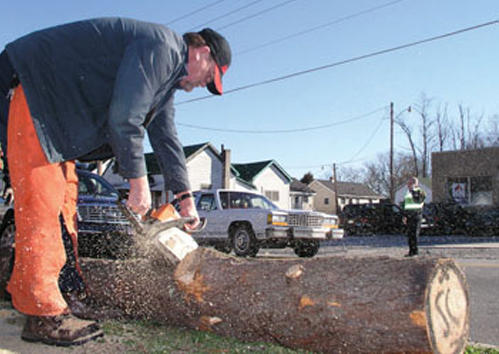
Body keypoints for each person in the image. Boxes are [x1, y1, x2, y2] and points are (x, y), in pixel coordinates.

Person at [0, 17, 231, 346]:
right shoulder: (163, 48)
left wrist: (185, 198)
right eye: (209, 76)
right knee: (43, 205)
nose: (201, 84)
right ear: (201, 52)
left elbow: (166, 139)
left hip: (57, 119)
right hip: (32, 90)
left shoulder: (165, 84)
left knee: (65, 205)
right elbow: (125, 117)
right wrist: (137, 182)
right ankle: (42, 315)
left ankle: (63, 296)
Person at [402, 177, 426, 257]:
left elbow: (418, 200)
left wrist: (413, 191)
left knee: (415, 234)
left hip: (416, 215)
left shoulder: (420, 192)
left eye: (410, 183)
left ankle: (415, 252)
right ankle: (411, 251)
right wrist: (404, 216)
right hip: (409, 216)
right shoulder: (407, 193)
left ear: (415, 184)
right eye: (408, 183)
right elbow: (406, 205)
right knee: (409, 234)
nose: (408, 185)